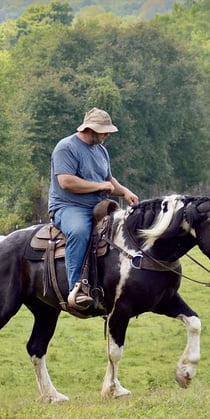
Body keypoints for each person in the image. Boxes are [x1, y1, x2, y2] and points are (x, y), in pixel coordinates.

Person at [48, 107, 139, 309]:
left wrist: (125, 191)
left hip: (98, 206)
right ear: (90, 129)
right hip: (69, 207)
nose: (107, 134)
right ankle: (77, 288)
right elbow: (66, 182)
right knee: (80, 232)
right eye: (103, 130)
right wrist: (100, 186)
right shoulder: (66, 147)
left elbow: (108, 179)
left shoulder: (101, 150)